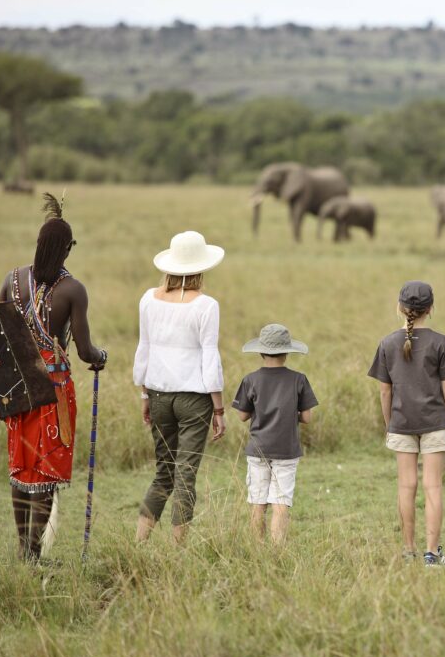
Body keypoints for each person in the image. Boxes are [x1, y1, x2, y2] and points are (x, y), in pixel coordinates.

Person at [0, 193, 107, 562]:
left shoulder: (12, 280)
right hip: (53, 391)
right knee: (46, 469)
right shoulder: (73, 290)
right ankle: (34, 554)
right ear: (67, 249)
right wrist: (101, 358)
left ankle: (24, 549)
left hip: (16, 388)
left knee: (22, 467)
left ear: (39, 244)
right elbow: (85, 351)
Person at [133, 231, 226, 545]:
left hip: (158, 394)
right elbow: (209, 356)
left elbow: (143, 348)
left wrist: (144, 394)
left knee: (164, 472)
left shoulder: (148, 298)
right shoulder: (207, 305)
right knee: (186, 474)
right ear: (201, 268)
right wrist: (219, 408)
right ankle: (178, 550)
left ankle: (139, 543)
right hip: (194, 399)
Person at [368, 281, 445, 567]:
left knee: (405, 486)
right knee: (432, 487)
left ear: (400, 308)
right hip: (435, 422)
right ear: (430, 309)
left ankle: (408, 551)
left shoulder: (386, 343)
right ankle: (431, 554)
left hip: (401, 423)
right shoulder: (440, 342)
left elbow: (385, 391)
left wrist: (390, 424)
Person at [232, 324, 318, 544]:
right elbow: (307, 417)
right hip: (287, 450)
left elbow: (242, 416)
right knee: (281, 502)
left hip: (258, 449)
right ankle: (277, 551)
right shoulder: (299, 379)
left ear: (261, 352)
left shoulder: (250, 379)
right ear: (287, 353)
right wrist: (290, 414)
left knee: (257, 502)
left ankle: (257, 550)